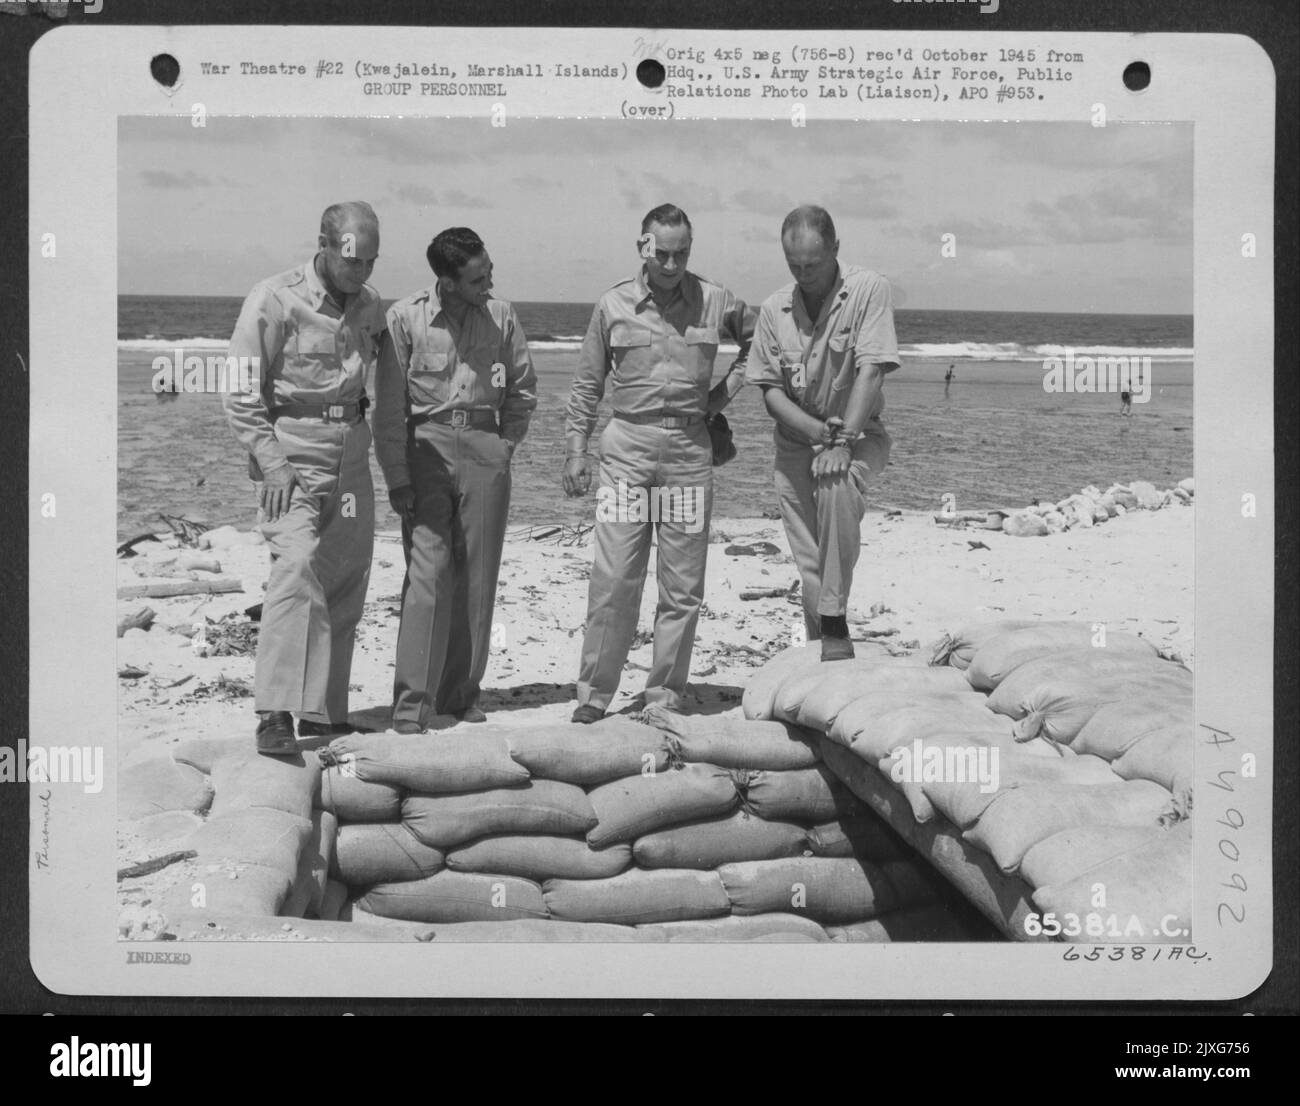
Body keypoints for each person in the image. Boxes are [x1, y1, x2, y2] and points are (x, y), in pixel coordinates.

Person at [563, 204, 754, 723]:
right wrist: (576, 448)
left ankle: (664, 696)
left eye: (681, 253)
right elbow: (587, 383)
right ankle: (594, 696)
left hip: (690, 454)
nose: (672, 264)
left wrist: (717, 400)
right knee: (615, 579)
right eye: (662, 253)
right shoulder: (613, 304)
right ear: (642, 247)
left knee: (682, 587)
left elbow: (760, 346)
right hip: (626, 450)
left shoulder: (715, 300)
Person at [223, 201, 385, 755]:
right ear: (322, 244)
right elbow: (242, 389)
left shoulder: (369, 305)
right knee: (293, 572)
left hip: (351, 461)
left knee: (343, 581)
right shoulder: (273, 298)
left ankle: (322, 711)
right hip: (290, 463)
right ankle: (274, 712)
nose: (359, 273)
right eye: (350, 262)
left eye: (369, 262)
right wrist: (270, 461)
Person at [374, 227, 537, 733]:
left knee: (477, 580)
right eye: (476, 278)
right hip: (427, 450)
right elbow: (388, 411)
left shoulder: (503, 316)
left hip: (486, 449)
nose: (488, 284)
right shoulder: (403, 319)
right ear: (445, 281)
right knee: (427, 576)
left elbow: (524, 391)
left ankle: (461, 696)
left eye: (489, 271)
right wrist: (399, 479)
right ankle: (412, 705)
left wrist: (503, 448)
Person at [746, 205, 901, 662]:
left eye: (813, 264)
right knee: (811, 561)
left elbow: (872, 368)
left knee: (837, 487)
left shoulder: (869, 290)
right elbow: (771, 393)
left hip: (859, 434)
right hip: (795, 444)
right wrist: (817, 430)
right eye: (794, 265)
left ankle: (833, 621)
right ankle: (823, 655)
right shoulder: (774, 309)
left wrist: (842, 440)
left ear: (836, 248)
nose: (804, 273)